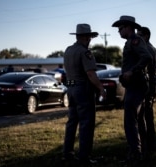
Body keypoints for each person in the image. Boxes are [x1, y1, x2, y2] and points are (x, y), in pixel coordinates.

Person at [62, 23, 106, 165]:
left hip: (71, 89)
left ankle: (67, 153)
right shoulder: (85, 52)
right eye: (90, 37)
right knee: (86, 124)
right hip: (83, 90)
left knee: (72, 123)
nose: (90, 40)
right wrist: (101, 88)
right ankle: (84, 157)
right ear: (86, 37)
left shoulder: (68, 50)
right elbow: (91, 74)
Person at [112, 16, 152, 163]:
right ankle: (143, 152)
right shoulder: (130, 42)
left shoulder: (135, 40)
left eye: (120, 28)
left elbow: (147, 57)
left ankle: (135, 155)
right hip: (134, 86)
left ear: (128, 27)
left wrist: (132, 71)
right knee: (139, 120)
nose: (119, 31)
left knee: (130, 121)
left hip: (137, 85)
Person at [137, 27, 156, 153]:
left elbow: (148, 71)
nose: (137, 37)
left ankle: (146, 147)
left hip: (147, 87)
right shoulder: (152, 48)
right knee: (148, 118)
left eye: (139, 35)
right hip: (151, 86)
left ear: (146, 36)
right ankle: (150, 146)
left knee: (143, 118)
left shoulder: (147, 49)